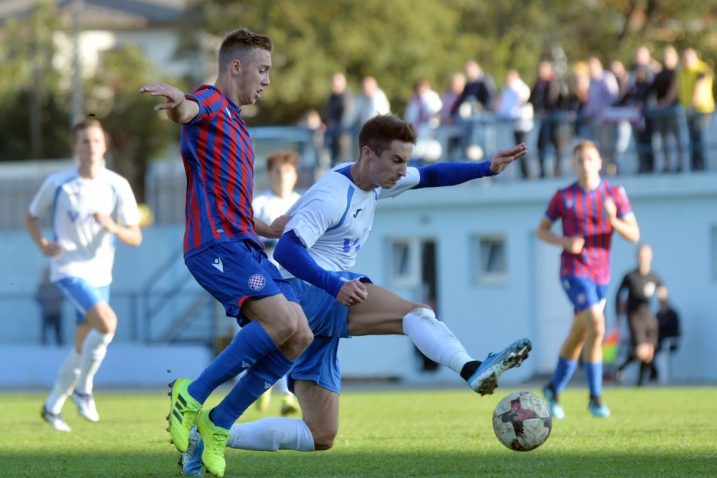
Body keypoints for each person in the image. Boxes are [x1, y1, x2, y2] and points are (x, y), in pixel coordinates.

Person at [179, 114, 532, 475]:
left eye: (405, 160)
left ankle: (207, 436)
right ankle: (471, 369)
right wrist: (336, 285)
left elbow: (433, 175)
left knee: (321, 434)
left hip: (317, 306)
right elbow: (286, 250)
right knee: (413, 314)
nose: (403, 169)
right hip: (308, 290)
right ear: (368, 154)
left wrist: (486, 168)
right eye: (397, 160)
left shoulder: (378, 179)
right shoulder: (334, 195)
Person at [140, 28, 313, 478]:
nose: (267, 80)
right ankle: (191, 395)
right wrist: (178, 100)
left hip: (244, 241)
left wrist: (267, 227)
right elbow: (188, 109)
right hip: (214, 244)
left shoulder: (236, 121)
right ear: (235, 67)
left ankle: (217, 424)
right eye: (263, 69)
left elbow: (230, 200)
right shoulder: (211, 102)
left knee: (299, 334)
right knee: (280, 322)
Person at [26, 117, 142, 432]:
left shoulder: (117, 185)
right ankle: (84, 389)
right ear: (74, 146)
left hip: (101, 275)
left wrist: (112, 226)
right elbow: (31, 216)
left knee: (82, 349)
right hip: (68, 270)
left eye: (95, 140)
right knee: (108, 323)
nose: (90, 147)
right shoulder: (58, 183)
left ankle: (52, 406)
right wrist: (43, 244)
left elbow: (135, 236)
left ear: (104, 145)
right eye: (84, 141)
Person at [537, 140, 640, 419]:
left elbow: (634, 235)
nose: (585, 164)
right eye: (580, 160)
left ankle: (553, 388)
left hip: (601, 276)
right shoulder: (564, 196)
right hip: (573, 272)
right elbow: (541, 231)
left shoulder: (613, 193)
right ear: (574, 164)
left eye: (590, 159)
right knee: (597, 324)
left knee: (581, 333)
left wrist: (613, 220)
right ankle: (595, 397)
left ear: (599, 162)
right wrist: (563, 241)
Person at [251, 150, 302, 416]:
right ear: (269, 176)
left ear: (295, 175)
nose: (282, 178)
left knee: (295, 333)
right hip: (264, 277)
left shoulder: (302, 203)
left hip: (293, 276)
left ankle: (285, 393)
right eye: (277, 173)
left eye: (287, 172)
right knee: (272, 333)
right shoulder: (260, 203)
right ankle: (268, 385)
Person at [614, 244, 667, 386]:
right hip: (634, 316)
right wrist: (618, 313)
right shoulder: (630, 276)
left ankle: (640, 382)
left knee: (649, 352)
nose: (643, 258)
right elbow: (619, 294)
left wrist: (663, 299)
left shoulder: (653, 277)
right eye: (641, 255)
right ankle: (620, 367)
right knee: (641, 350)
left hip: (649, 317)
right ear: (637, 256)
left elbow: (662, 292)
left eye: (646, 255)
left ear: (650, 257)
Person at [677, 48, 714, 172]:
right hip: (689, 110)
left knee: (699, 137)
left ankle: (701, 166)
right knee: (692, 138)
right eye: (685, 57)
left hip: (701, 110)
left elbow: (699, 89)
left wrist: (693, 105)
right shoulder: (682, 71)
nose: (686, 60)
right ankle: (695, 166)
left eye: (689, 57)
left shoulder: (702, 69)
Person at [495, 69, 533, 179]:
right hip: (515, 125)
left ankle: (527, 175)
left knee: (523, 151)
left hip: (523, 124)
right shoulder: (508, 90)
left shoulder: (521, 89)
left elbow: (518, 105)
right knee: (518, 152)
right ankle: (524, 175)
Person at [35, 266, 64, 346]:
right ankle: (44, 344)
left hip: (55, 311)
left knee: (58, 330)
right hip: (46, 311)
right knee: (45, 331)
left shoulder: (57, 284)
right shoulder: (42, 285)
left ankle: (59, 344)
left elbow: (62, 296)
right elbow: (37, 297)